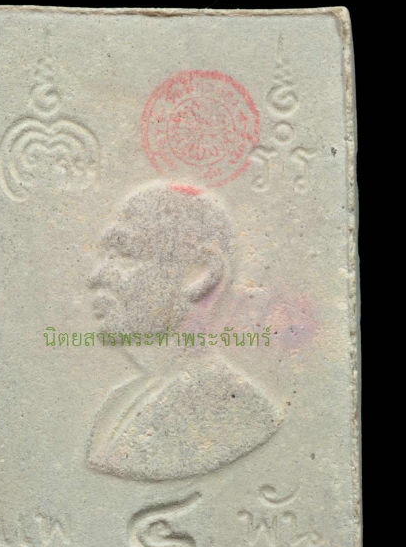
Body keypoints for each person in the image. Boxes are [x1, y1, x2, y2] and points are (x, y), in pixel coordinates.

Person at [87, 181, 280, 481]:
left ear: (202, 274)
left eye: (125, 255)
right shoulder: (118, 401)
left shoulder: (237, 410)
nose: (98, 276)